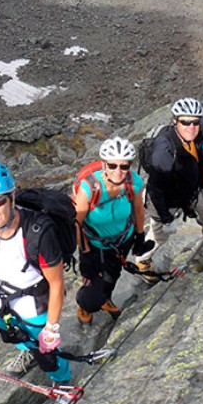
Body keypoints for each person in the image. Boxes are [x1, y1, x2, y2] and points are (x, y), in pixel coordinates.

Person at [0, 160, 71, 383]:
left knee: (49, 357)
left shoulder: (38, 232)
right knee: (12, 334)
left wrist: (51, 327)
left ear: (11, 197)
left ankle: (62, 381)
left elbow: (56, 282)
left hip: (32, 305)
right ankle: (28, 352)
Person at [135, 97, 203, 285]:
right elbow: (155, 189)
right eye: (185, 122)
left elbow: (199, 160)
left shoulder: (197, 134)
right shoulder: (163, 151)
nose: (191, 127)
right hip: (166, 199)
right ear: (175, 121)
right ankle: (142, 262)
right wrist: (166, 218)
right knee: (159, 235)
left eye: (195, 122)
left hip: (190, 188)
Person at [73, 137, 154, 325]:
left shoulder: (133, 182)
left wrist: (139, 236)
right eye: (112, 165)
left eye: (124, 166)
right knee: (92, 294)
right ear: (104, 164)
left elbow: (138, 209)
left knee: (113, 274)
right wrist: (85, 253)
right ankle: (86, 306)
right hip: (95, 245)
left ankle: (106, 297)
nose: (118, 171)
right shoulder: (89, 188)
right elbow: (76, 223)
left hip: (122, 240)